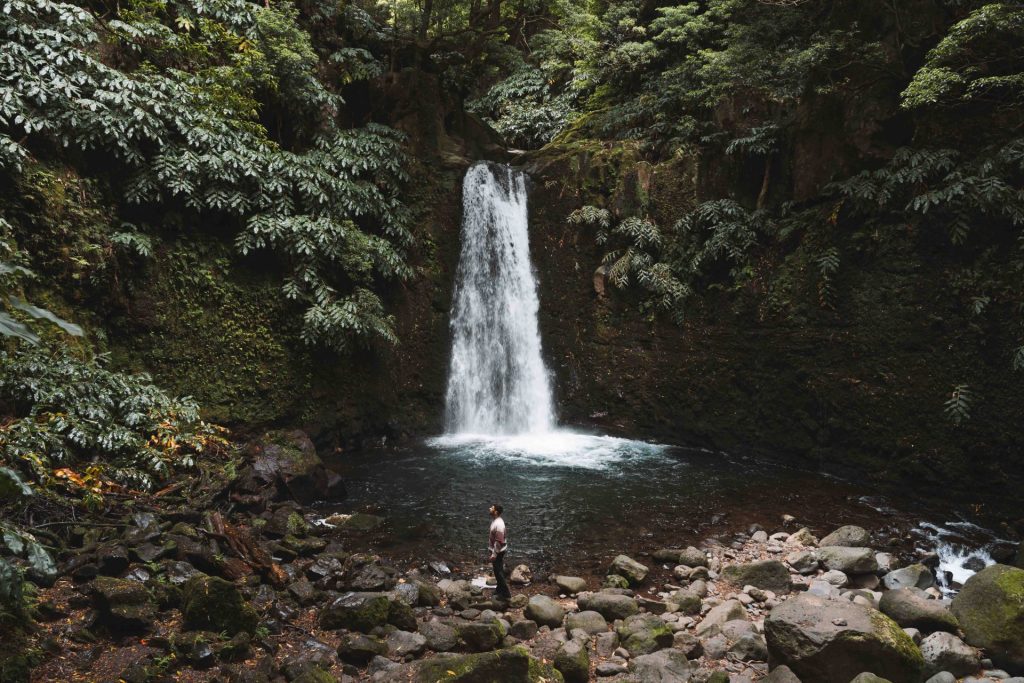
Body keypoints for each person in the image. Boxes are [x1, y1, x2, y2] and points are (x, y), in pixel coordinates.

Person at [488, 503, 511, 601]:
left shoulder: (499, 524)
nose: (489, 508)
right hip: (496, 550)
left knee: (499, 572)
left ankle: (506, 593)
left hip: (498, 551)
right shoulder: (495, 520)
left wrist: (494, 553)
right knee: (497, 571)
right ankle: (499, 589)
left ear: (496, 512)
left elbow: (499, 541)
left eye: (492, 508)